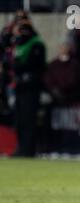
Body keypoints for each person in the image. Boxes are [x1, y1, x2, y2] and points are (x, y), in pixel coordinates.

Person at [12, 22, 46, 157]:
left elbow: (36, 67)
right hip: (20, 88)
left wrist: (20, 69)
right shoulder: (19, 46)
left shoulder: (37, 44)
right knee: (19, 120)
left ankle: (28, 150)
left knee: (29, 121)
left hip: (31, 89)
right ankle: (21, 148)